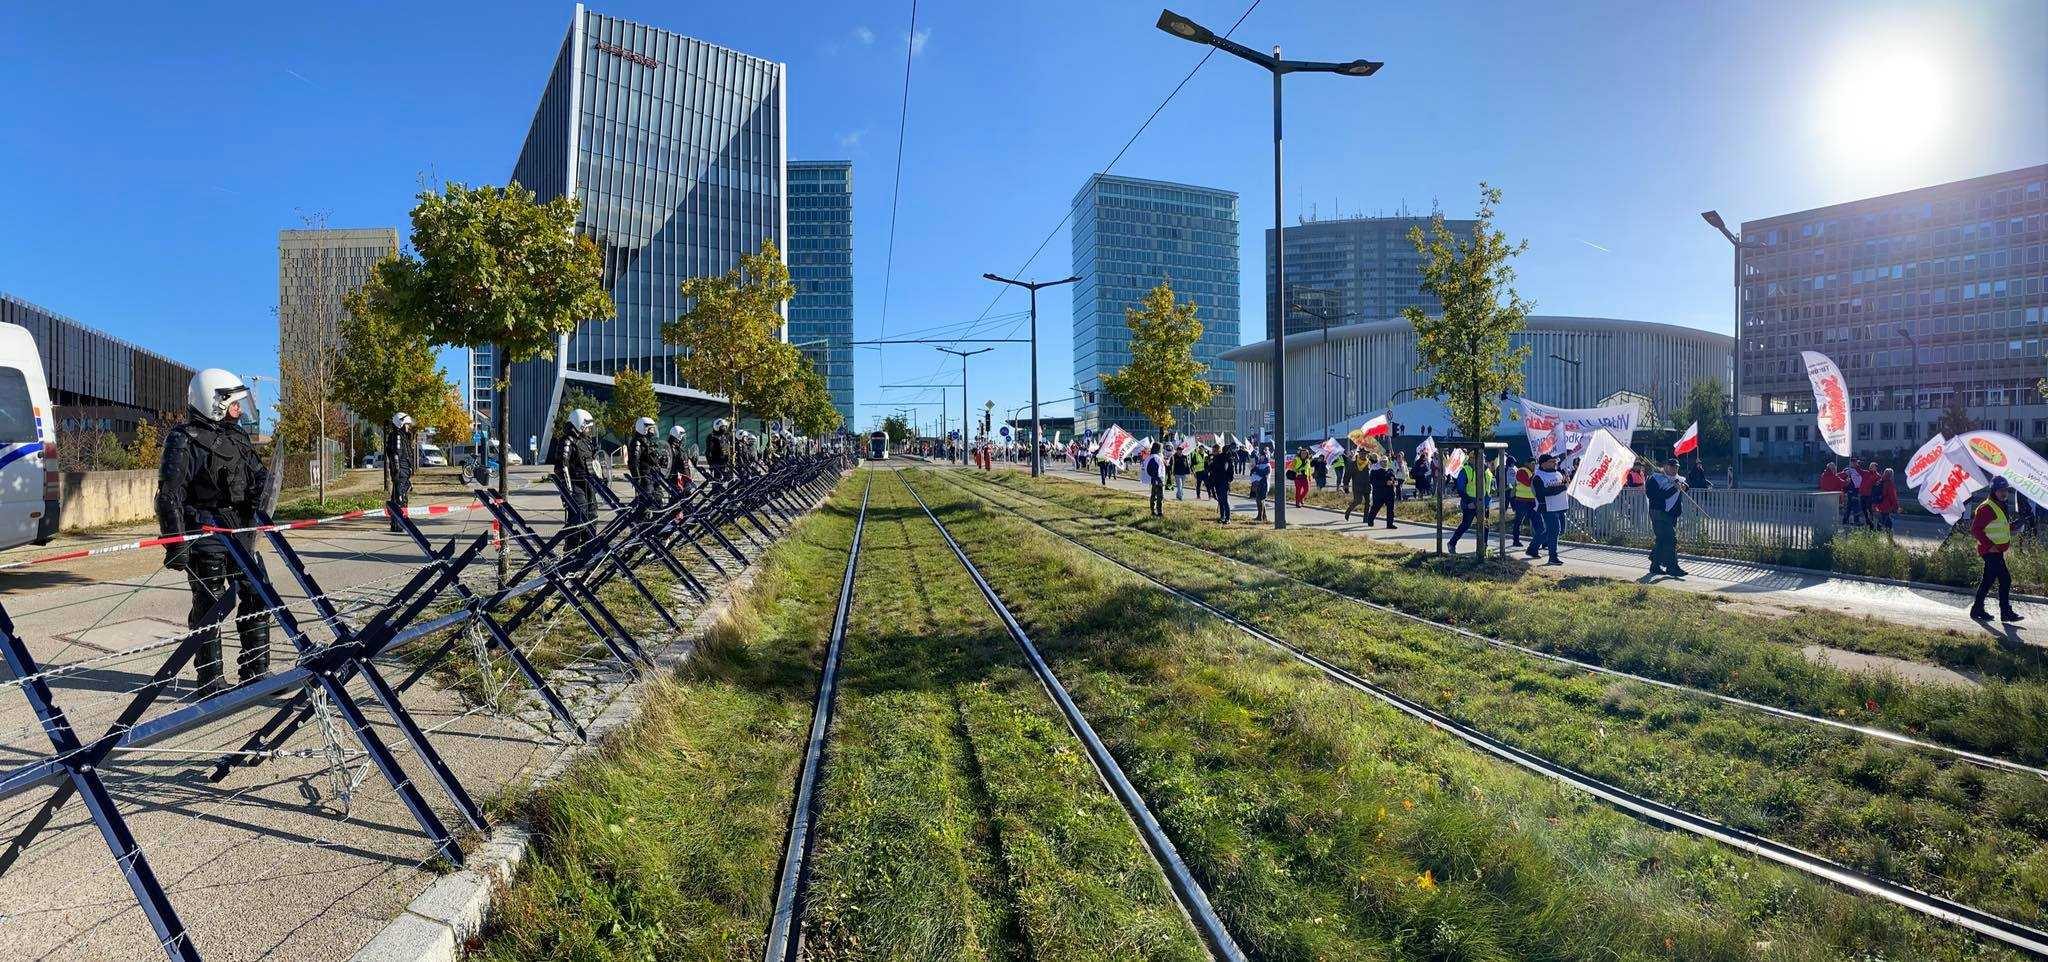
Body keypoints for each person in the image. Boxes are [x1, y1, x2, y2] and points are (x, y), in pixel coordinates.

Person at [157, 369, 272, 698]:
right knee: (211, 604)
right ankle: (210, 681)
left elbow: (258, 478)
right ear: (215, 402)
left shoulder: (238, 438)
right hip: (205, 532)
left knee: (258, 593)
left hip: (241, 530)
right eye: (234, 403)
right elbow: (169, 494)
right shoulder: (183, 438)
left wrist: (263, 495)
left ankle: (256, 671)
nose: (239, 409)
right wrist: (175, 542)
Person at [1971, 477, 2025, 623]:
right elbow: (1975, 530)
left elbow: (2001, 526)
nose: (2004, 493)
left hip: (1996, 551)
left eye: (2005, 490)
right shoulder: (1987, 507)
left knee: (1988, 581)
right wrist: (1990, 546)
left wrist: (2017, 524)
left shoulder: (1999, 505)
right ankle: (2005, 612)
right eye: (2001, 490)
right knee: (2005, 580)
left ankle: (1977, 610)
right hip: (1990, 552)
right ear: (1994, 491)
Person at [548, 408, 601, 554]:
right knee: (578, 517)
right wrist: (568, 490)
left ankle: (588, 547)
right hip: (576, 485)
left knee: (592, 515)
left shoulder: (586, 441)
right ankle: (571, 550)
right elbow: (561, 466)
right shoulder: (567, 440)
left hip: (588, 484)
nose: (589, 430)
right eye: (587, 426)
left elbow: (593, 463)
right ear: (579, 424)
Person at [1645, 457, 1689, 578]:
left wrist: (1684, 487)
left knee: (1662, 539)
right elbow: (1654, 495)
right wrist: (1673, 489)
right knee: (1671, 539)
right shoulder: (1655, 478)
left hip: (1672, 514)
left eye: (1676, 467)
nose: (1674, 469)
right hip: (1659, 512)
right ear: (1666, 467)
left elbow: (1685, 485)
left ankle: (1655, 564)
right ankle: (1672, 567)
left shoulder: (1677, 479)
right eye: (1672, 467)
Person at [1446, 454, 1495, 554]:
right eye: (1478, 458)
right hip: (1470, 503)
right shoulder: (1465, 470)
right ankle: (1452, 543)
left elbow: (1490, 488)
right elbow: (1460, 488)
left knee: (1485, 526)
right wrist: (1469, 502)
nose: (1482, 460)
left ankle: (1483, 549)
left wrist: (1488, 500)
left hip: (1483, 503)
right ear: (1471, 459)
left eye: (1483, 458)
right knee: (1465, 525)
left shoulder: (1487, 471)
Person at [1527, 452, 1569, 566]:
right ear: (1543, 464)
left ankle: (1532, 548)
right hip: (1546, 507)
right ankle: (1552, 557)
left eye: (1555, 461)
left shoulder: (1558, 473)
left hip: (1559, 507)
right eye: (1551, 461)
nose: (1555, 463)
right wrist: (1561, 487)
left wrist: (1566, 483)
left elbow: (1562, 486)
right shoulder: (1538, 476)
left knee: (1554, 530)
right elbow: (1543, 493)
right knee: (1555, 530)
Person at [384, 412, 416, 533]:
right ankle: (398, 524)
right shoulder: (397, 435)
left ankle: (398, 523)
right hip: (400, 472)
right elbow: (395, 454)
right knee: (399, 498)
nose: (408, 427)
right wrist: (397, 471)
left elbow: (405, 454)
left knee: (401, 497)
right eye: (407, 425)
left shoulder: (403, 436)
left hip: (404, 471)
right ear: (401, 424)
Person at [626, 416, 665, 510]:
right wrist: (638, 479)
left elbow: (651, 459)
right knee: (647, 502)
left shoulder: (647, 442)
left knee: (658, 499)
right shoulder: (637, 442)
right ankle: (643, 522)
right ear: (644, 429)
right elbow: (633, 462)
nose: (653, 432)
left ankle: (656, 521)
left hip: (653, 477)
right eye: (651, 429)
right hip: (645, 478)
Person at [1509, 457, 1536, 548]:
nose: (1534, 465)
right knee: (1518, 521)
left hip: (1531, 501)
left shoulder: (1532, 472)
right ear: (1526, 463)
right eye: (1532, 463)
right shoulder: (1521, 471)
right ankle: (1516, 540)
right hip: (1522, 501)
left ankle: (1540, 541)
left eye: (1534, 464)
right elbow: (1528, 483)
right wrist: (1535, 475)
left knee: (1536, 522)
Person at [1208, 442, 1236, 523]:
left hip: (1224, 482)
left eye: (1213, 451)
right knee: (1220, 500)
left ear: (1217, 451)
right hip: (1217, 482)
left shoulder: (1224, 457)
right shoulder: (1215, 458)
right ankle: (1222, 517)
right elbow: (1212, 471)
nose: (1212, 452)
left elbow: (1225, 468)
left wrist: (1229, 479)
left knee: (1224, 500)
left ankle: (1228, 518)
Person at [1369, 453, 1398, 530]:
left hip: (1389, 494)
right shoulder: (1375, 471)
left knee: (1390, 510)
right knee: (1375, 508)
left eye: (1386, 461)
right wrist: (1385, 483)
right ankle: (1370, 520)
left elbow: (1395, 479)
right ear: (1380, 462)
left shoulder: (1390, 471)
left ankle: (1390, 524)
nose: (1385, 463)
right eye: (1383, 461)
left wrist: (1395, 482)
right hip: (1379, 494)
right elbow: (1373, 482)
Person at [1343, 452, 1372, 520]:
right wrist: (1346, 486)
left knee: (1368, 502)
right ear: (1359, 454)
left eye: (1365, 454)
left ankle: (1365, 518)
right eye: (1362, 454)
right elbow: (1347, 475)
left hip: (1367, 485)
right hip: (1357, 486)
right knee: (1358, 500)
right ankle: (1348, 511)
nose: (1363, 455)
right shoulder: (1353, 464)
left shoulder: (1368, 463)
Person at [705, 418, 733, 485]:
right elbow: (708, 451)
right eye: (723, 427)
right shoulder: (712, 436)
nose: (725, 428)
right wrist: (710, 463)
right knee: (717, 480)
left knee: (727, 479)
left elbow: (728, 448)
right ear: (717, 427)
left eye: (725, 427)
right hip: (716, 462)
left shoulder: (725, 436)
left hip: (725, 461)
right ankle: (716, 493)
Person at [1873, 467, 1900, 538]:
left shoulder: (1879, 482)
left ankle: (1876, 536)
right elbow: (1893, 496)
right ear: (1891, 475)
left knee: (1882, 520)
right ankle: (1888, 538)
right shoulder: (1890, 484)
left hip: (1879, 504)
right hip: (1886, 505)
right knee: (1887, 523)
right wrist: (1896, 507)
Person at [667, 425, 693, 495]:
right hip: (678, 479)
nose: (683, 438)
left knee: (686, 497)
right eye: (681, 436)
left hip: (684, 478)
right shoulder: (671, 448)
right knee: (678, 497)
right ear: (677, 436)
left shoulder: (678, 448)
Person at [1248, 445, 1271, 522]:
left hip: (1264, 484)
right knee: (1258, 500)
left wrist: (1256, 469)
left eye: (1263, 456)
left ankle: (1260, 517)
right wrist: (1252, 468)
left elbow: (1263, 474)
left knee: (1260, 500)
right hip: (1257, 484)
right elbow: (1253, 472)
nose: (1261, 457)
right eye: (1261, 456)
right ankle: (1263, 516)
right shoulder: (1258, 464)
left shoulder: (1267, 466)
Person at [1144, 443, 1166, 517]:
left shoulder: (1152, 457)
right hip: (1158, 480)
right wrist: (1159, 480)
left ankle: (1153, 511)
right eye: (1161, 448)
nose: (1162, 449)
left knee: (1154, 495)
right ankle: (1159, 512)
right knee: (1159, 496)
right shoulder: (1155, 458)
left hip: (1155, 480)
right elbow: (1155, 470)